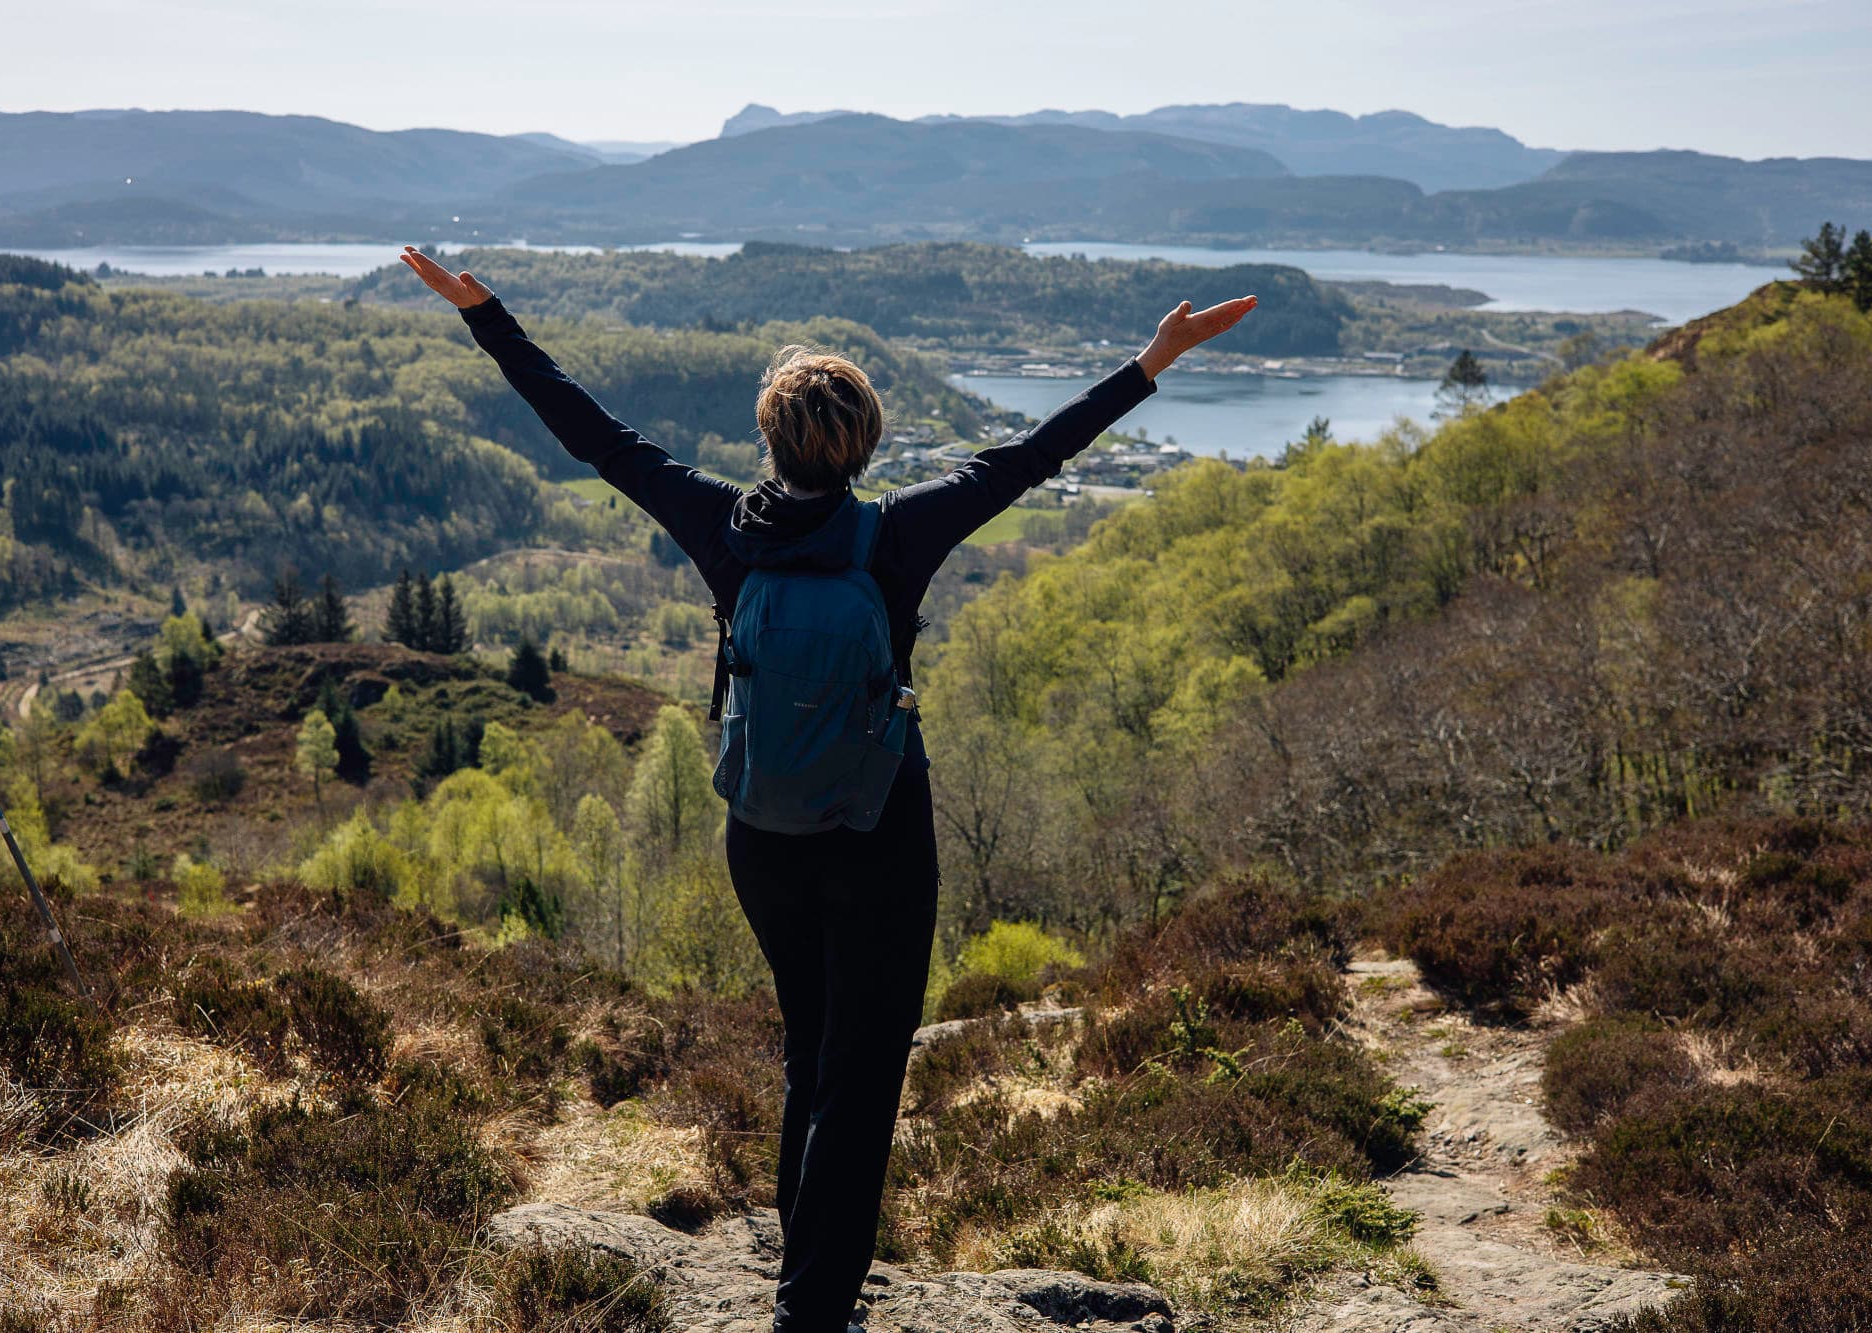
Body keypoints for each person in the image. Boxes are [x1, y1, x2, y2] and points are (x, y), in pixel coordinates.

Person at [400, 244, 1256, 1332]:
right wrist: (1151, 360)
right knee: (861, 1071)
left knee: (811, 1046)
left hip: (762, 832)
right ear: (865, 442)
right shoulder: (896, 534)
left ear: (769, 439)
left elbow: (592, 433)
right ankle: (810, 1311)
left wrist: (486, 314)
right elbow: (1032, 455)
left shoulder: (721, 527)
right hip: (879, 826)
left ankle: (806, 1285)